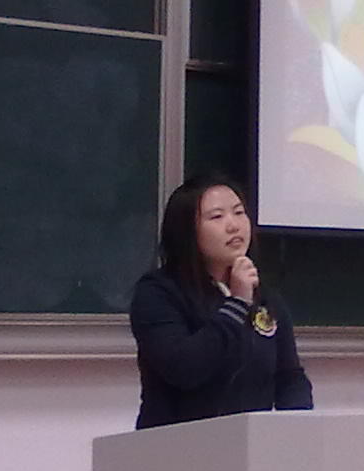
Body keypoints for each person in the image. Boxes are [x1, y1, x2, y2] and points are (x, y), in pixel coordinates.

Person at [129, 173, 313, 428]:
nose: (234, 226)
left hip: (250, 442)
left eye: (239, 212)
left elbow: (289, 377)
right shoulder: (158, 292)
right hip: (176, 443)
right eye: (217, 217)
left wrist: (298, 427)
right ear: (187, 231)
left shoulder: (265, 297)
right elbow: (184, 369)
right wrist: (237, 303)